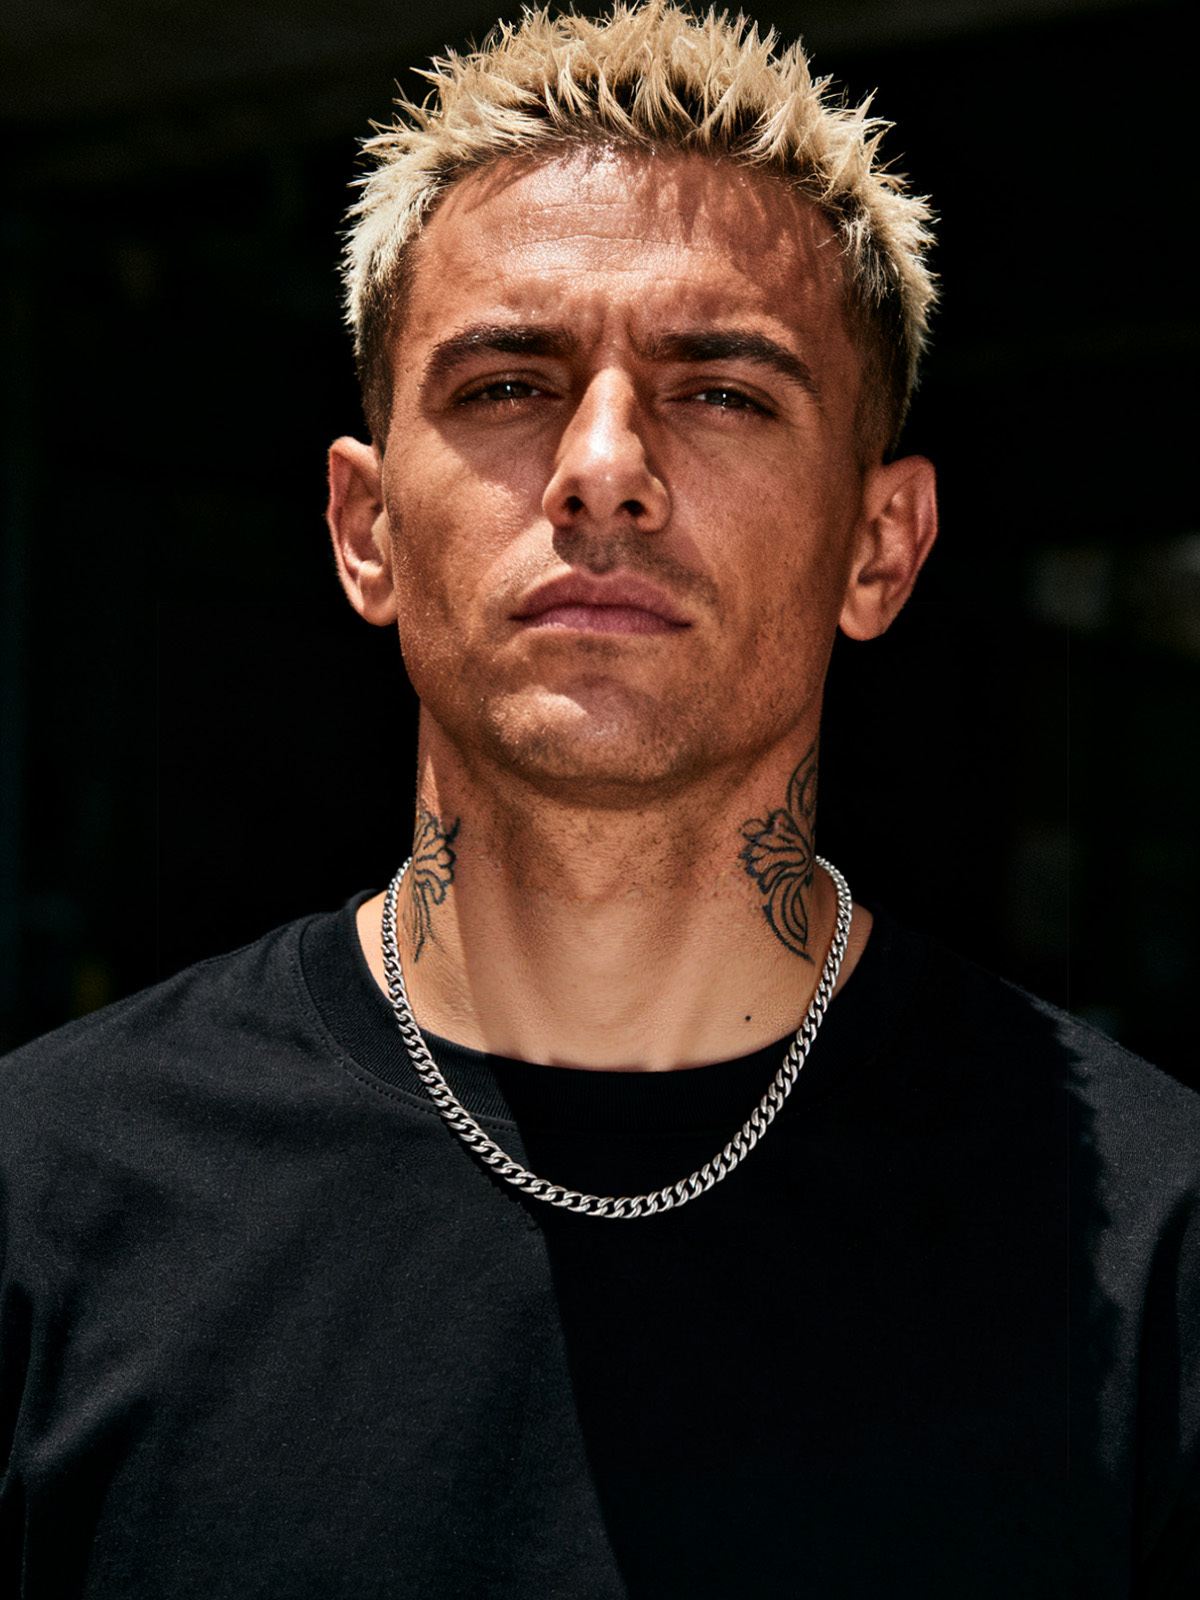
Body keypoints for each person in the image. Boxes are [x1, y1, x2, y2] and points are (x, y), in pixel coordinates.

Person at [1, 4, 1197, 1595]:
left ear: (880, 548)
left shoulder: (1161, 1254)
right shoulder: (44, 1196)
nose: (606, 465)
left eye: (724, 393)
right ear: (364, 528)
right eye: (508, 383)